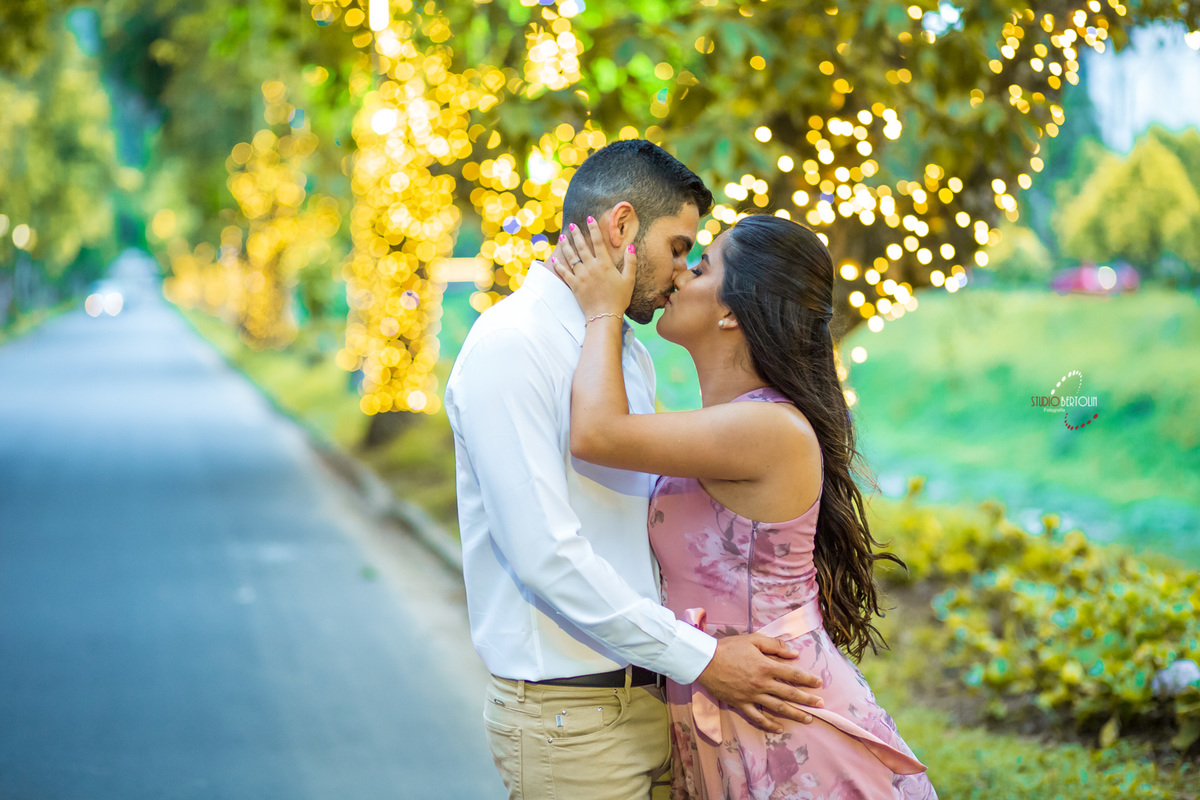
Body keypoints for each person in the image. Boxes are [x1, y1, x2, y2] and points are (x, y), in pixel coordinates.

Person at [444, 141, 826, 800]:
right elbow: (544, 555)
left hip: (662, 705)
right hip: (574, 722)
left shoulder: (622, 355)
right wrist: (703, 657)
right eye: (680, 248)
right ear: (621, 228)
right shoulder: (513, 347)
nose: (682, 273)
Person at [551, 214, 937, 799]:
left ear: (732, 312)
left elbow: (597, 434)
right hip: (726, 701)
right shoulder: (731, 423)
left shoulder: (766, 427)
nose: (680, 273)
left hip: (785, 723)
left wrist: (602, 310)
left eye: (702, 266)